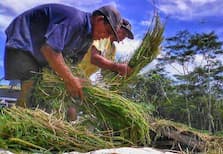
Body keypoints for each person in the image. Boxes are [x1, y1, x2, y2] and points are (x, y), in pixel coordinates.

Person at [4, 4, 132, 119]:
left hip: (39, 55)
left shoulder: (87, 39)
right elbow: (49, 49)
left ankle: (27, 122)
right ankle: (14, 123)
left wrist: (82, 84)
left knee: (45, 95)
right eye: (108, 31)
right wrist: (70, 79)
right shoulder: (75, 20)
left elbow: (71, 64)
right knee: (29, 88)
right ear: (99, 20)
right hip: (24, 42)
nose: (107, 36)